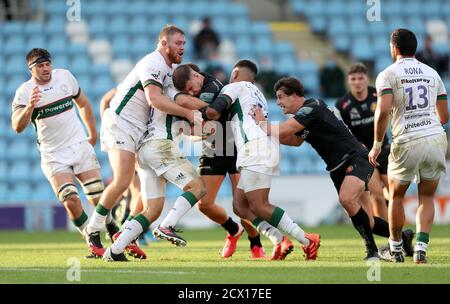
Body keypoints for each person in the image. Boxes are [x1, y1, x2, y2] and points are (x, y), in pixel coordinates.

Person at [252, 76, 414, 260]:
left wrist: (261, 123)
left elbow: (283, 130)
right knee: (366, 219)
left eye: (281, 97)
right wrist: (266, 135)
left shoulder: (311, 107)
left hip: (355, 157)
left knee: (346, 199)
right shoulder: (305, 116)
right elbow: (294, 141)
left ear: (294, 95)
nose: (279, 102)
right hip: (337, 167)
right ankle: (403, 237)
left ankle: (372, 251)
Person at [85, 25, 199, 260]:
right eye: (178, 43)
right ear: (164, 43)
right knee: (123, 180)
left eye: (184, 44)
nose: (182, 47)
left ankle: (125, 236)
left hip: (141, 132)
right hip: (122, 123)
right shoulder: (153, 63)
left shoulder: (171, 70)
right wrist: (189, 114)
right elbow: (154, 99)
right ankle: (93, 229)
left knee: (142, 195)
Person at [203, 60, 321, 261]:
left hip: (255, 149)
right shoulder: (258, 95)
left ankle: (308, 240)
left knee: (260, 205)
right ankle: (278, 239)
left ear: (235, 73)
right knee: (240, 206)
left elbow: (213, 111)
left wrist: (197, 111)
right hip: (259, 148)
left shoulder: (235, 86)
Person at [11, 48, 119, 257]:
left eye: (47, 64)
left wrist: (92, 134)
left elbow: (84, 104)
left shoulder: (65, 76)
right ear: (30, 69)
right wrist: (30, 107)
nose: (45, 69)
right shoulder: (24, 92)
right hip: (53, 154)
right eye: (40, 66)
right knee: (70, 199)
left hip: (79, 145)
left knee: (98, 198)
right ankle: (91, 237)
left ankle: (111, 225)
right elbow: (17, 126)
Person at [172, 63, 269, 259]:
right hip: (213, 148)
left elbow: (206, 114)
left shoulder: (213, 85)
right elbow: (189, 130)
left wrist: (179, 99)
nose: (191, 92)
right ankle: (233, 230)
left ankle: (255, 243)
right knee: (204, 204)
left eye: (191, 87)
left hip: (234, 148)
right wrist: (195, 133)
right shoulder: (197, 88)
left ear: (197, 76)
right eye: (187, 90)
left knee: (242, 205)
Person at [369, 28, 448, 264]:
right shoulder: (432, 73)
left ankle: (395, 250)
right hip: (435, 137)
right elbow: (444, 115)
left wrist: (376, 145)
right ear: (415, 48)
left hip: (407, 139)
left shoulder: (388, 74)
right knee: (427, 197)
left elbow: (383, 111)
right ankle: (421, 249)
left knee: (397, 196)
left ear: (394, 48)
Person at [335, 63, 390, 220]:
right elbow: (341, 132)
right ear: (348, 81)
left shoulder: (378, 95)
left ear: (367, 79)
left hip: (383, 149)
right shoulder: (342, 105)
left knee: (394, 193)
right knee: (377, 195)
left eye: (361, 78)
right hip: (363, 156)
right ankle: (388, 236)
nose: (357, 82)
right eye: (353, 79)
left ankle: (397, 233)